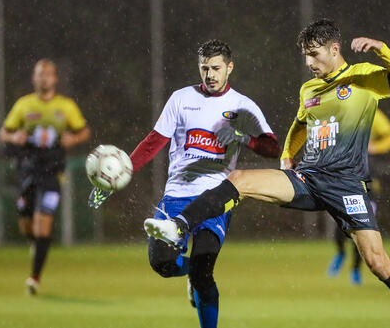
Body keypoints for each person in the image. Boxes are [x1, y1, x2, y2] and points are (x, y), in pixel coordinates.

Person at [142, 19, 390, 327]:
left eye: (315, 54)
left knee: (377, 263)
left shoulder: (363, 78)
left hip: (347, 186)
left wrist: (382, 49)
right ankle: (179, 225)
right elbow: (300, 123)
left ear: (334, 49)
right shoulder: (309, 89)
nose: (309, 63)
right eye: (305, 56)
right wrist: (287, 155)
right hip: (309, 179)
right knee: (239, 179)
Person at [88, 39, 280, 328]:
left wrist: (243, 137)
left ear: (230, 67)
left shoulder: (242, 105)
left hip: (216, 198)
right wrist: (115, 180)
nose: (210, 75)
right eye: (204, 68)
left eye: (216, 68)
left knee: (205, 273)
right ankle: (189, 272)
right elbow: (153, 143)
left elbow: (272, 148)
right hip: (177, 195)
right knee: (162, 263)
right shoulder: (181, 98)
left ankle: (199, 286)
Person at [0, 59, 91, 295]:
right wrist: (14, 137)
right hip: (28, 170)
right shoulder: (24, 104)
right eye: (40, 74)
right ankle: (34, 243)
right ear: (34, 78)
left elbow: (83, 131)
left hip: (52, 173)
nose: (44, 78)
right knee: (26, 221)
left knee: (43, 224)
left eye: (48, 74)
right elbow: (4, 132)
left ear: (55, 78)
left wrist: (73, 139)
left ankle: (34, 278)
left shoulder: (66, 106)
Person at [327, 108, 390, 285]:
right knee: (341, 225)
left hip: (366, 182)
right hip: (344, 179)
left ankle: (355, 270)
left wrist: (375, 147)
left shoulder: (371, 113)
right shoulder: (337, 113)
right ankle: (340, 253)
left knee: (362, 229)